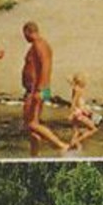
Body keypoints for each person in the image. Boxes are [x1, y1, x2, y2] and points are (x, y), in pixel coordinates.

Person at [20, 22, 69, 155]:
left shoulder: (39, 45)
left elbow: (45, 66)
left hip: (38, 89)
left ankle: (61, 145)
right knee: (31, 125)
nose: (24, 38)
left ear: (28, 32)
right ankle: (34, 154)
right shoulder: (42, 44)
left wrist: (40, 89)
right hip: (38, 89)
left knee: (31, 124)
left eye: (24, 35)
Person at [67, 72, 101, 150]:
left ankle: (73, 148)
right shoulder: (78, 90)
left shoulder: (75, 89)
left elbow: (78, 103)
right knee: (93, 129)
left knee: (76, 132)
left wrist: (87, 110)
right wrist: (71, 113)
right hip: (78, 114)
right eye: (85, 81)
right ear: (81, 82)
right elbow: (73, 102)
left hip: (77, 113)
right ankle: (76, 142)